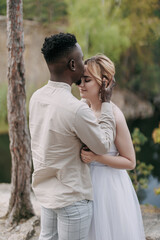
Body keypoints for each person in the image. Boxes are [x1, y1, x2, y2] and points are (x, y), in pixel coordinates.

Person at [29, 33, 116, 240]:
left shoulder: (36, 98)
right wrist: (106, 103)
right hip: (72, 200)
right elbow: (103, 145)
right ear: (72, 64)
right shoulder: (76, 109)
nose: (85, 66)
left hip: (47, 194)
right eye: (81, 58)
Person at [78, 54, 146, 240]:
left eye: (87, 80)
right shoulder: (82, 108)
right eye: (79, 79)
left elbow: (130, 161)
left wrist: (97, 158)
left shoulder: (115, 115)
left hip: (109, 188)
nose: (80, 84)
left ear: (104, 82)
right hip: (84, 184)